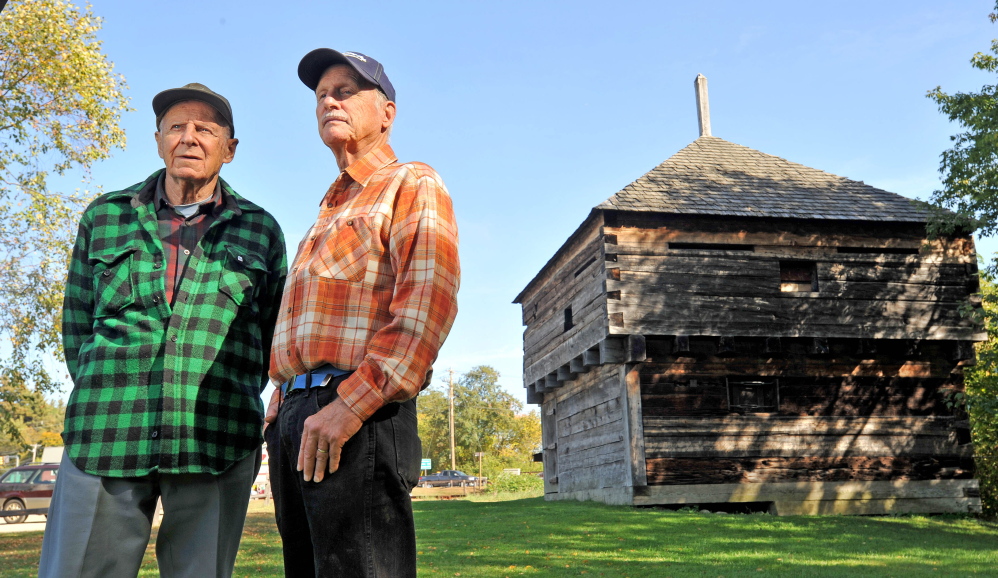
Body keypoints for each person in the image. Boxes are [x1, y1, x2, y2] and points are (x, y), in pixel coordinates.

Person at [40, 83, 287, 578]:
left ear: (229, 149)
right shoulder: (105, 217)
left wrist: (217, 390)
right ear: (158, 140)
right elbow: (76, 326)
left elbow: (269, 340)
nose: (189, 138)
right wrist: (108, 388)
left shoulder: (261, 231)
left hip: (214, 438)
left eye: (205, 129)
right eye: (177, 127)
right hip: (106, 434)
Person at [264, 49, 460, 578]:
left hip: (358, 413)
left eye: (346, 90)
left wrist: (350, 406)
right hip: (297, 418)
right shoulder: (326, 212)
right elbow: (303, 327)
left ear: (387, 111)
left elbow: (427, 306)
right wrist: (280, 403)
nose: (329, 100)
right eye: (322, 94)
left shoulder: (411, 183)